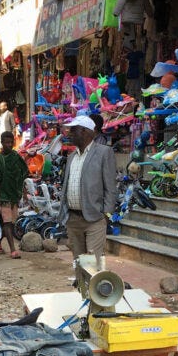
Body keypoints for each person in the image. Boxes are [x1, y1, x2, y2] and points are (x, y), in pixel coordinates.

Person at [59, 114, 116, 270]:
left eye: (73, 131)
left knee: (93, 264)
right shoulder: (71, 157)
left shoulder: (104, 153)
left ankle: (94, 294)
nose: (69, 134)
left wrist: (106, 215)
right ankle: (83, 294)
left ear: (84, 131)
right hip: (73, 219)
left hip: (94, 219)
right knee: (79, 264)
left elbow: (110, 187)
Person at [0, 130, 29, 259]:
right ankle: (13, 250)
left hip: (14, 196)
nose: (9, 145)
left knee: (10, 223)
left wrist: (24, 193)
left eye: (11, 142)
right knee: (7, 222)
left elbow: (23, 175)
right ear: (1, 143)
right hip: (2, 195)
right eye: (6, 142)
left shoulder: (16, 157)